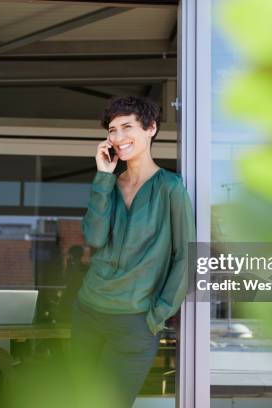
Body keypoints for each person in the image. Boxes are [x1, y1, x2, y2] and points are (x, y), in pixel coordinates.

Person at [69, 96, 196, 407]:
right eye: (112, 130)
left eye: (127, 127)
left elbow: (187, 256)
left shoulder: (170, 187)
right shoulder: (108, 185)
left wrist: (157, 314)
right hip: (88, 311)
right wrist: (102, 176)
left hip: (135, 321)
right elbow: (94, 238)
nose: (118, 137)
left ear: (150, 128)